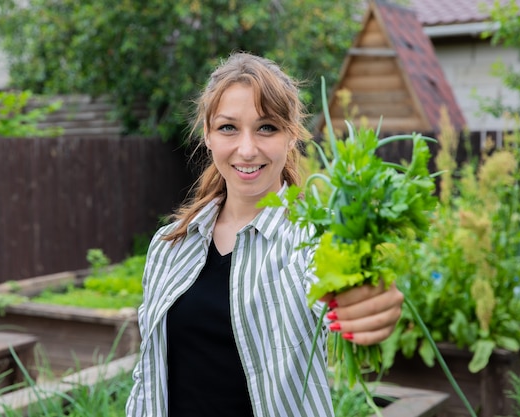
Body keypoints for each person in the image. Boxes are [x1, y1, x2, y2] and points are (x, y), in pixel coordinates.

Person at [125, 52, 404, 417]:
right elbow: (149, 378)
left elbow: (351, 293)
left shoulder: (313, 243)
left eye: (267, 127)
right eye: (228, 128)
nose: (247, 149)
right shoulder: (169, 246)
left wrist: (375, 302)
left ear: (291, 136)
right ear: (207, 136)